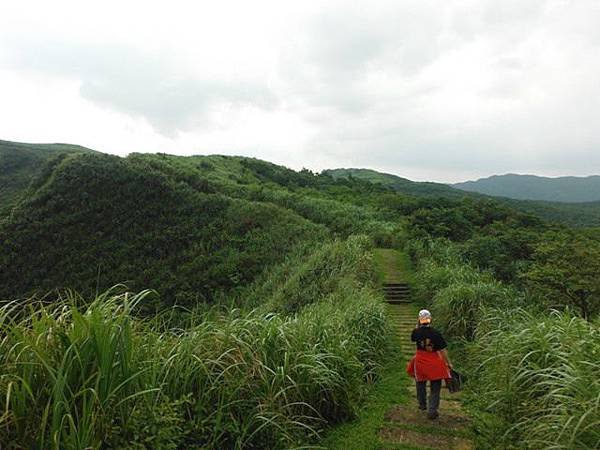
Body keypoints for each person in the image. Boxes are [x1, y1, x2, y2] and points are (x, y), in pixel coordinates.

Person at [406, 309, 452, 420]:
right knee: (435, 387)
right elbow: (443, 350)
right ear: (430, 319)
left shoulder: (416, 332)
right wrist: (448, 363)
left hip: (420, 361)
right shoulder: (436, 333)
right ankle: (432, 410)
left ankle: (422, 404)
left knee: (420, 383)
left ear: (419, 320)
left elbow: (413, 338)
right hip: (434, 362)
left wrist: (417, 325)